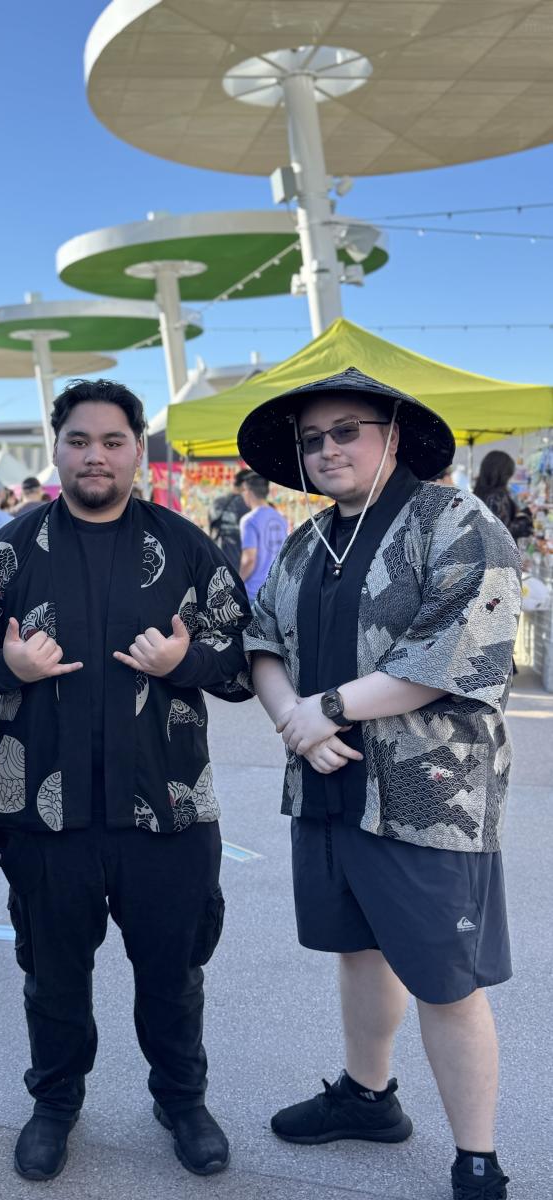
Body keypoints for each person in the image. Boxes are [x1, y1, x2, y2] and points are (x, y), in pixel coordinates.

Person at [0, 378, 252, 1182]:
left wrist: (185, 660)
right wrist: (7, 665)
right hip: (44, 813)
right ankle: (54, 1104)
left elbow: (243, 660)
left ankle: (182, 1101)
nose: (95, 456)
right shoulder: (10, 550)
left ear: (137, 450)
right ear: (56, 448)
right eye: (79, 440)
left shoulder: (185, 547)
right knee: (52, 979)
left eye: (113, 441)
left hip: (168, 809)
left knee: (174, 974)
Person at [238, 367, 520, 1200]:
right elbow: (262, 641)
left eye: (346, 430)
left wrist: (323, 710)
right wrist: (294, 718)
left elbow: (457, 651)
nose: (327, 449)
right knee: (358, 950)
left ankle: (477, 1157)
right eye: (312, 439)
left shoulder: (454, 522)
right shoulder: (306, 542)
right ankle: (368, 1096)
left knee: (445, 976)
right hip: (327, 785)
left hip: (428, 794)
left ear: (392, 434)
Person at [238, 474, 287, 606]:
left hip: (254, 592)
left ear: (248, 491)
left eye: (243, 491)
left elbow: (249, 560)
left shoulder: (249, 520)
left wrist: (236, 583)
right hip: (275, 591)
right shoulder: (281, 518)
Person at [473, 450, 534, 542]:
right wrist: (525, 516)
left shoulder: (479, 493)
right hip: (499, 549)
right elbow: (500, 533)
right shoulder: (496, 496)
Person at [208, 468, 253, 571]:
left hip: (216, 560)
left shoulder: (217, 503)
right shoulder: (247, 505)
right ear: (245, 485)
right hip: (239, 563)